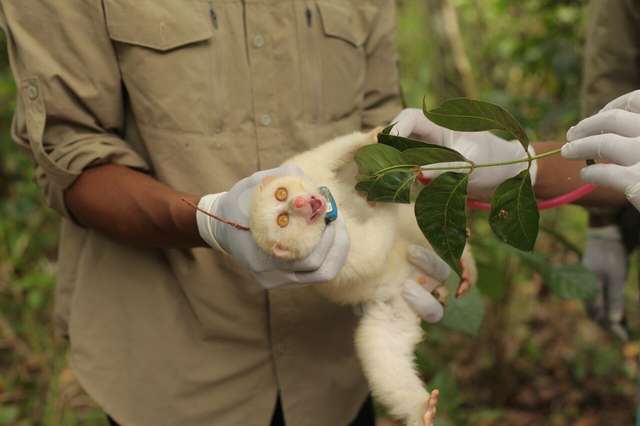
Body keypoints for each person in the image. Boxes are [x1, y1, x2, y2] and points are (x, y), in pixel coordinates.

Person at [0, 1, 451, 425]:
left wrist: (411, 237)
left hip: (332, 376)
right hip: (172, 370)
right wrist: (210, 220)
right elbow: (73, 153)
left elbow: (380, 136)